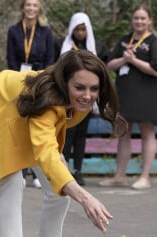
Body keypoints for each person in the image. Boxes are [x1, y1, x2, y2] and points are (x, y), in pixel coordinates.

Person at [0, 50, 126, 237]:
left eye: (94, 89)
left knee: (58, 181)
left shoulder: (75, 100)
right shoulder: (47, 98)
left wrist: (56, 160)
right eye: (80, 88)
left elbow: (50, 133)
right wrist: (85, 198)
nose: (87, 95)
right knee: (12, 179)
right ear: (64, 82)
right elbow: (45, 139)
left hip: (24, 114)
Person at [99, 4, 157, 190]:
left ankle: (145, 177)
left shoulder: (154, 42)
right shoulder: (124, 40)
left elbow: (156, 70)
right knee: (123, 133)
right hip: (124, 92)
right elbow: (109, 64)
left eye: (143, 18)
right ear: (132, 20)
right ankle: (119, 176)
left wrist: (133, 60)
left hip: (146, 93)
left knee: (147, 132)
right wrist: (124, 59)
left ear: (149, 20)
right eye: (136, 18)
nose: (139, 21)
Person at [54, 12, 109, 186]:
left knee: (80, 135)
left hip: (86, 100)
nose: (80, 33)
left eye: (83, 29)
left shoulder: (96, 47)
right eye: (77, 29)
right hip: (68, 98)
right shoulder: (61, 45)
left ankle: (77, 170)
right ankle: (64, 168)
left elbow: (103, 71)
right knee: (66, 133)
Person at [6, 0, 55, 189]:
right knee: (19, 124)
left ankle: (36, 172)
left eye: (35, 5)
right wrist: (17, 80)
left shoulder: (46, 31)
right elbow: (10, 57)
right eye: (28, 5)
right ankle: (21, 170)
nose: (31, 9)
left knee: (36, 124)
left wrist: (41, 81)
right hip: (18, 81)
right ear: (22, 8)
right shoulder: (13, 31)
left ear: (39, 9)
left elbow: (50, 59)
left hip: (39, 83)